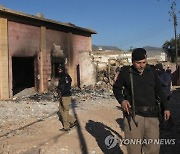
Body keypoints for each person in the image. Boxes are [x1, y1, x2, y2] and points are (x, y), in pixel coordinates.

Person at [113, 48, 170, 154]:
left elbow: (160, 91)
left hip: (152, 116)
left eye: (144, 62)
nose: (141, 65)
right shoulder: (126, 72)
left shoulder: (152, 72)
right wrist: (122, 101)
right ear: (132, 61)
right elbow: (116, 88)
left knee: (153, 149)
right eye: (138, 63)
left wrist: (166, 107)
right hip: (134, 116)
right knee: (134, 149)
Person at [57, 63, 76, 131]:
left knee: (65, 111)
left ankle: (66, 127)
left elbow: (67, 87)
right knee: (60, 110)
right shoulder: (61, 77)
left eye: (60, 70)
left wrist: (62, 92)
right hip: (62, 96)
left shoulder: (66, 77)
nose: (59, 71)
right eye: (58, 70)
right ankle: (73, 120)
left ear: (63, 70)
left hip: (66, 96)